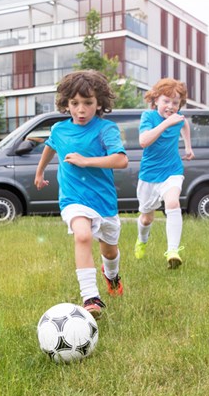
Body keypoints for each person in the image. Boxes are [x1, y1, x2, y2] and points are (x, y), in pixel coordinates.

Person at [34, 70, 128, 319]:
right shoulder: (59, 129)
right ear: (66, 103)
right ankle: (91, 298)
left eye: (88, 103)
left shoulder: (106, 129)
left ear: (99, 103)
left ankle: (111, 275)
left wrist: (86, 161)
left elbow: (121, 160)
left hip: (104, 202)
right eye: (74, 103)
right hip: (73, 199)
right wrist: (40, 171)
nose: (81, 110)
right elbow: (50, 147)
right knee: (83, 235)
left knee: (110, 252)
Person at [133, 78, 194, 268]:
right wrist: (166, 123)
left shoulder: (178, 117)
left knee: (173, 202)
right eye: (166, 101)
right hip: (149, 175)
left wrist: (188, 147)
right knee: (146, 218)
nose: (171, 106)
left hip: (172, 170)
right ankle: (142, 240)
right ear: (155, 100)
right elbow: (144, 141)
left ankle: (173, 251)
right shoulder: (148, 117)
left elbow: (184, 124)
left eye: (175, 103)